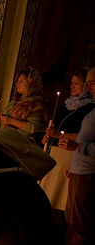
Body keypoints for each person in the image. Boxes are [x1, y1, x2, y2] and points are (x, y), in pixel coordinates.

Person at [40, 68, 95, 210]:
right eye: (71, 83)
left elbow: (82, 136)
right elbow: (56, 126)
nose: (71, 87)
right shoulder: (66, 104)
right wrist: (49, 135)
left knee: (60, 199)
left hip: (69, 155)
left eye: (76, 84)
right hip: (55, 153)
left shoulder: (89, 107)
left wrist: (59, 135)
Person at [59, 67, 95, 245]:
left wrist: (78, 150)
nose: (89, 87)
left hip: (89, 175)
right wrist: (73, 166)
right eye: (88, 82)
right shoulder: (92, 110)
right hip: (79, 171)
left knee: (80, 227)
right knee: (71, 221)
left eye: (92, 82)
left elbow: (84, 144)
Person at [0, 66, 46, 139]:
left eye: (21, 81)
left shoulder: (36, 105)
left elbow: (33, 127)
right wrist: (1, 119)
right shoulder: (14, 102)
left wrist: (12, 121)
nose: (17, 84)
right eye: (17, 81)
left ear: (30, 83)